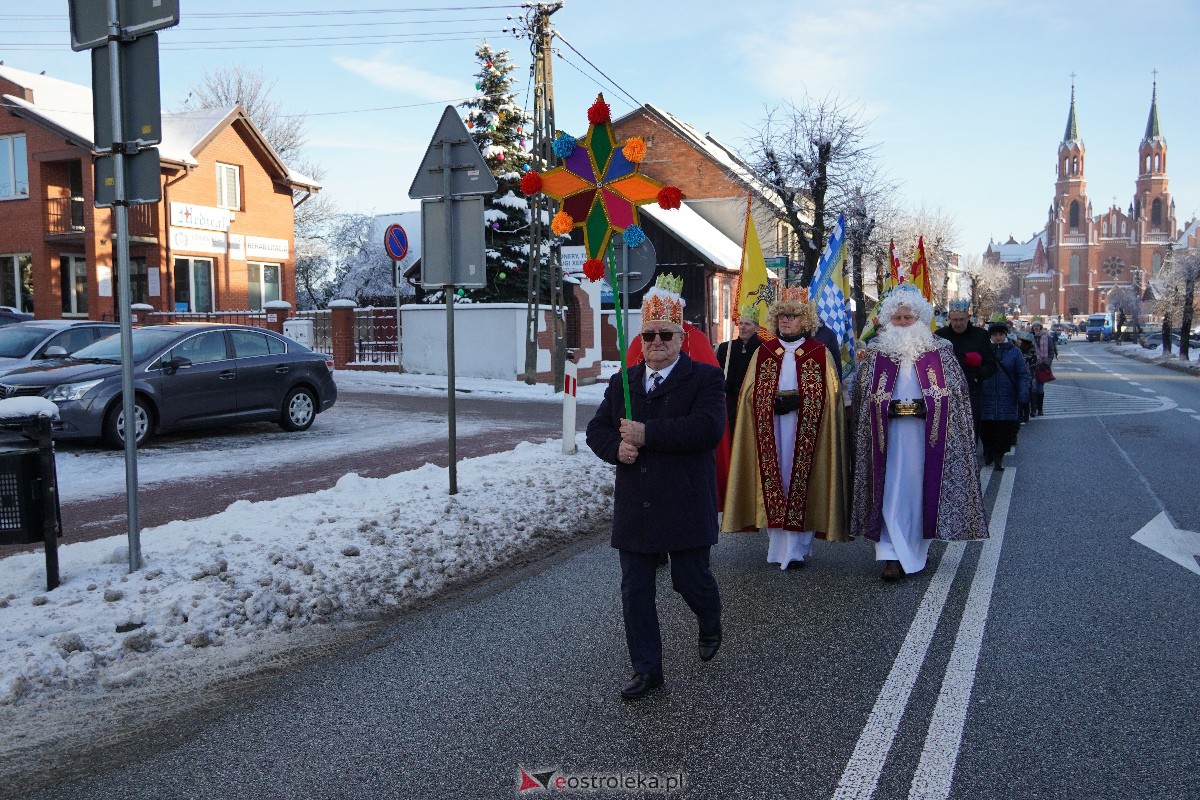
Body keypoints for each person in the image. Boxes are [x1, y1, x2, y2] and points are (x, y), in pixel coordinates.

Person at [585, 274, 725, 701]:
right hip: (638, 504)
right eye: (649, 335)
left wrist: (648, 436)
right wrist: (616, 450)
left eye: (666, 334)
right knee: (636, 590)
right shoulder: (622, 383)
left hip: (684, 499)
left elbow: (708, 429)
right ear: (641, 340)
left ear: (681, 337)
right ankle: (647, 669)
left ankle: (710, 615)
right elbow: (596, 430)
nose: (657, 342)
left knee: (689, 579)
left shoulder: (704, 379)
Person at [851, 284, 989, 581]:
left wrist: (932, 406)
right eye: (898, 318)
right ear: (889, 320)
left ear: (920, 319)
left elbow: (956, 394)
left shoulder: (941, 353)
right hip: (886, 438)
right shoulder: (876, 354)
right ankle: (889, 554)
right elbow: (862, 395)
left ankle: (913, 549)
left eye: (908, 318)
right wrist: (881, 406)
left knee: (917, 491)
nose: (902, 324)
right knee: (888, 490)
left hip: (925, 438)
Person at [722, 286, 849, 569]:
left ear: (805, 320)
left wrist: (802, 402)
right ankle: (777, 547)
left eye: (792, 316)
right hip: (773, 427)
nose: (785, 321)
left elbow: (832, 396)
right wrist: (767, 402)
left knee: (800, 478)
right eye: (781, 316)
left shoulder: (819, 352)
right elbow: (747, 394)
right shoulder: (765, 351)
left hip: (807, 430)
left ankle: (799, 548)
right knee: (776, 478)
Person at [935, 299, 998, 434]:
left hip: (972, 391)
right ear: (949, 318)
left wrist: (977, 374)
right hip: (946, 392)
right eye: (955, 320)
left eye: (962, 320)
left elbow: (992, 365)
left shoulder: (980, 335)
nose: (958, 323)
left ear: (968, 318)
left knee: (970, 429)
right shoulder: (940, 336)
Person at [979, 322, 1030, 470]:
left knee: (1004, 431)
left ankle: (998, 457)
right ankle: (988, 451)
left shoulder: (1015, 352)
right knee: (986, 429)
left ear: (1005, 335)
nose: (998, 337)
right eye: (995, 335)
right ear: (991, 336)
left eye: (1001, 334)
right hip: (987, 396)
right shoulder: (984, 351)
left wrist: (1022, 393)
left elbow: (1022, 374)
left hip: (1007, 396)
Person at [716, 308, 763, 436]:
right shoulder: (726, 348)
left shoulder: (763, 349)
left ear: (756, 328)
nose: (742, 327)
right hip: (729, 403)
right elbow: (717, 373)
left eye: (747, 324)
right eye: (741, 323)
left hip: (751, 404)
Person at [1029, 321, 1058, 417]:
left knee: (1040, 388)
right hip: (1032, 365)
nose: (1036, 327)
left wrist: (1048, 362)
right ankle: (1033, 409)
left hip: (1042, 365)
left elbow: (1051, 350)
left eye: (1037, 326)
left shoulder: (1046, 337)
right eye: (1034, 326)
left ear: (1040, 327)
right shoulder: (1029, 337)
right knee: (1033, 388)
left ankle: (1040, 409)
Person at [1015, 331, 1037, 423]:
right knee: (1023, 396)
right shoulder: (1017, 350)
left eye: (1021, 341)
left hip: (1028, 377)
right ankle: (1022, 415)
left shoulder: (1031, 352)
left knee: (1026, 396)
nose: (1019, 342)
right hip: (1022, 377)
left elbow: (1033, 366)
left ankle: (1027, 414)